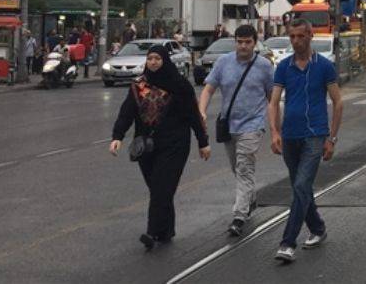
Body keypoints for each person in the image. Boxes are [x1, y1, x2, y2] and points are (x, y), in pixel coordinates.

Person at [109, 44, 210, 250]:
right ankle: (166, 230)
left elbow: (193, 115)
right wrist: (117, 136)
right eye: (150, 58)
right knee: (158, 189)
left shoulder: (180, 85)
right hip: (146, 146)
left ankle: (152, 232)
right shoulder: (138, 85)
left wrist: (203, 142)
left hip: (175, 144)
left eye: (157, 58)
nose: (153, 62)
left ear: (165, 61)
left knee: (162, 188)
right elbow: (127, 112)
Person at [268, 19, 344, 263]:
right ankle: (318, 228)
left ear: (310, 35)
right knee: (300, 188)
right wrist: (275, 132)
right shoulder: (283, 67)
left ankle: (288, 242)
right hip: (290, 134)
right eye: (292, 37)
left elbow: (338, 102)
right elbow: (274, 101)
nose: (296, 41)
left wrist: (331, 138)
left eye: (300, 36)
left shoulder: (324, 66)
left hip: (315, 134)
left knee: (301, 186)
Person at [198, 24, 275, 237]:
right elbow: (208, 89)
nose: (243, 46)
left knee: (244, 168)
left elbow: (272, 98)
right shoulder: (223, 62)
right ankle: (249, 199)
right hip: (228, 125)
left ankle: (239, 215)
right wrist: (201, 111)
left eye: (247, 42)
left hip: (253, 125)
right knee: (237, 168)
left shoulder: (265, 66)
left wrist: (275, 128)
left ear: (255, 42)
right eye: (239, 42)